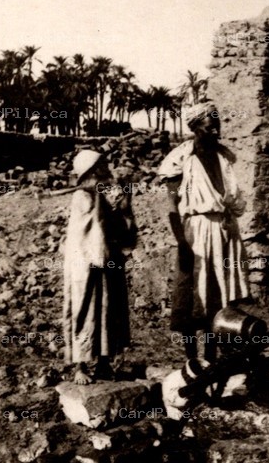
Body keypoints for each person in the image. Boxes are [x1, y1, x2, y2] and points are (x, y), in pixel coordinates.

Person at [157, 100, 249, 374]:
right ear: (195, 128)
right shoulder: (180, 160)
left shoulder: (224, 158)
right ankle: (191, 359)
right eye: (209, 127)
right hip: (196, 232)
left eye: (217, 126)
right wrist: (181, 243)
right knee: (191, 293)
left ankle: (212, 355)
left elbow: (234, 198)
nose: (216, 131)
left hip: (225, 229)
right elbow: (172, 207)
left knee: (218, 295)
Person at [62, 149, 136, 381]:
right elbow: (94, 226)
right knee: (85, 309)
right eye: (102, 166)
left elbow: (121, 223)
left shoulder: (100, 194)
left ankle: (104, 362)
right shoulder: (82, 197)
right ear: (92, 171)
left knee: (107, 309)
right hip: (85, 263)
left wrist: (123, 198)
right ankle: (80, 366)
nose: (107, 170)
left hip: (106, 259)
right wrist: (107, 203)